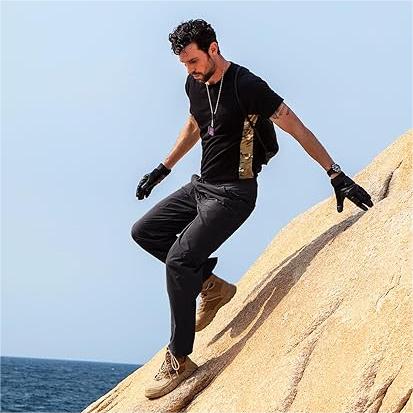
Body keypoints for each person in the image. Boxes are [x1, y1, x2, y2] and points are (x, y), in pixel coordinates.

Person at [131, 19, 373, 399]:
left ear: (213, 49)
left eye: (193, 60)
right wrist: (163, 169)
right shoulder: (195, 84)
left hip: (234, 195)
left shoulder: (247, 86)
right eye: (184, 64)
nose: (190, 70)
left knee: (179, 259)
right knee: (145, 232)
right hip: (202, 186)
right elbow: (195, 124)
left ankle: (179, 358)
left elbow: (296, 127)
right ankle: (211, 287)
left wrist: (335, 173)